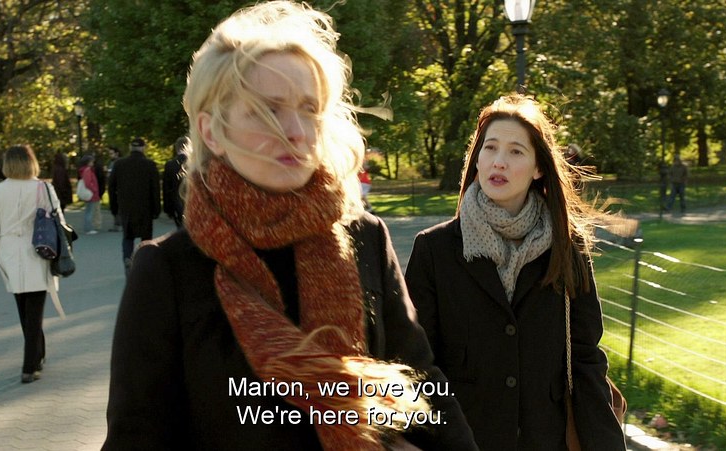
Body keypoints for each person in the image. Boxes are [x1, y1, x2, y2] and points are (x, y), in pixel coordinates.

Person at [103, 2, 477, 450]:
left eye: (309, 109)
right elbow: (136, 436)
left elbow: (422, 384)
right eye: (267, 110)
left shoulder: (365, 237)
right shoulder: (167, 270)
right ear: (211, 131)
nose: (296, 131)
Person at [404, 95, 626, 450]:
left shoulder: (568, 248)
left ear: (539, 168)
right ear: (477, 159)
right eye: (490, 148)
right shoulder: (435, 250)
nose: (499, 161)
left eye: (516, 151)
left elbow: (585, 360)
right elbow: (417, 364)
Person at [0, 144, 68, 384]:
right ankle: (31, 364)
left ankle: (35, 358)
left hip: (9, 254)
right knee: (35, 312)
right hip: (39, 251)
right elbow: (59, 222)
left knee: (24, 311)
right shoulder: (44, 188)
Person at [107, 137, 160, 275]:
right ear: (143, 148)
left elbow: (111, 187)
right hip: (145, 208)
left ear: (130, 148)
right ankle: (144, 264)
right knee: (146, 238)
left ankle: (127, 258)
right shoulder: (150, 165)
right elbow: (155, 189)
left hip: (126, 207)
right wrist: (157, 209)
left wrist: (114, 207)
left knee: (128, 236)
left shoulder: (119, 164)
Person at [162, 136, 190, 228]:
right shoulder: (195, 163)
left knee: (181, 229)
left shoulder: (170, 165)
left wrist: (168, 209)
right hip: (193, 204)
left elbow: (166, 188)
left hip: (177, 205)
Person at [78, 154, 101, 234]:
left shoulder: (85, 170)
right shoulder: (87, 170)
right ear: (88, 162)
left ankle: (88, 228)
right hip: (91, 194)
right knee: (89, 211)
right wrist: (94, 189)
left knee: (88, 211)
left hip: (90, 193)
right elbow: (88, 183)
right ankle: (88, 229)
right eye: (92, 162)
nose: (93, 163)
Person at [105, 147, 122, 232]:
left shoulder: (118, 163)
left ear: (117, 153)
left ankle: (118, 225)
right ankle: (117, 224)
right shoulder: (112, 162)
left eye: (111, 153)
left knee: (117, 206)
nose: (110, 155)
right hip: (113, 187)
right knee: (115, 206)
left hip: (116, 187)